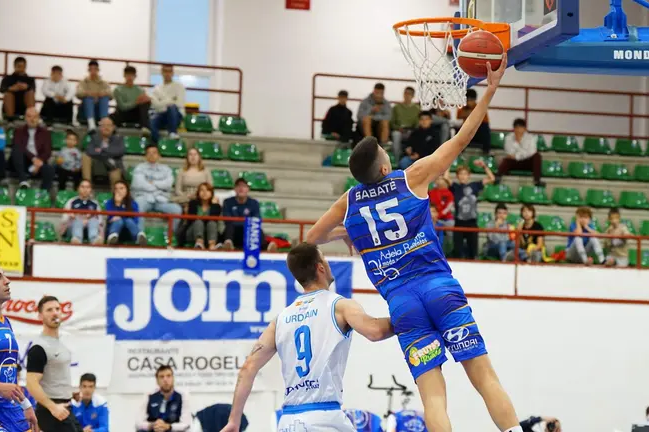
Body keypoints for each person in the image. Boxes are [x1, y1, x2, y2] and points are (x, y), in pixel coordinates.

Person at [304, 57, 524, 432]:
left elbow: (311, 240)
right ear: (385, 168)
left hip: (402, 304)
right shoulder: (411, 178)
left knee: (433, 398)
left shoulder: (350, 202)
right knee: (484, 378)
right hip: (438, 288)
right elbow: (461, 138)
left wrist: (347, 233)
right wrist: (489, 91)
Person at [220, 243, 395, 432]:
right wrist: (414, 317)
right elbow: (375, 330)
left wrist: (234, 421)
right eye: (325, 260)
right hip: (324, 418)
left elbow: (248, 368)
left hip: (288, 421)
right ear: (320, 267)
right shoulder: (340, 305)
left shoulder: (280, 319)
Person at [0, 258, 40, 432]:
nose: (7, 280)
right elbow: (2, 385)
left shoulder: (5, 323)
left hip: (12, 410)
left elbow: (8, 375)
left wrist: (25, 405)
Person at [26, 295, 81, 432]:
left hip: (66, 408)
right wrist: (52, 407)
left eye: (57, 309)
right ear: (40, 316)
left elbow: (54, 376)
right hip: (51, 412)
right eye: (49, 310)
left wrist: (69, 392)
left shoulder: (60, 344)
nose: (55, 312)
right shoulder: (39, 348)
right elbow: (31, 384)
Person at [443, 162, 494, 260]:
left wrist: (484, 166)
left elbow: (491, 178)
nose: (462, 176)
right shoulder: (455, 187)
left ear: (469, 175)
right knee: (458, 250)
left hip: (472, 222)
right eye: (460, 174)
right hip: (459, 222)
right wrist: (448, 164)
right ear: (457, 176)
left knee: (473, 251)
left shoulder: (475, 185)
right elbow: (446, 177)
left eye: (465, 174)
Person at [131, 144, 182, 231]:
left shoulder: (167, 169)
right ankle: (140, 235)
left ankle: (171, 237)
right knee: (137, 206)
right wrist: (159, 186)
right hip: (144, 198)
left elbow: (168, 184)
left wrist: (152, 183)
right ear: (145, 156)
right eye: (149, 153)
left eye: (154, 153)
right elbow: (139, 184)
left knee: (177, 209)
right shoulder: (139, 168)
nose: (151, 155)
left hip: (161, 199)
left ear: (159, 155)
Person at [221, 179, 276, 252]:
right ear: (234, 189)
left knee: (257, 229)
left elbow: (256, 220)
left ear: (248, 189)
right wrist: (245, 221)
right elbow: (227, 219)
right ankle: (228, 244)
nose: (241, 188)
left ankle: (267, 247)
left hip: (248, 231)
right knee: (229, 227)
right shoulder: (227, 202)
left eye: (244, 186)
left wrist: (242, 222)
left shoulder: (254, 203)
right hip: (234, 232)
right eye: (238, 186)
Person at [135, 365, 192, 432]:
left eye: (168, 376)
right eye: (161, 377)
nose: (165, 379)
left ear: (173, 378)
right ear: (157, 381)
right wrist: (152, 425)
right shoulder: (149, 395)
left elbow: (186, 424)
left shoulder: (182, 396)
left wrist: (168, 426)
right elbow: (138, 423)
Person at [10, 107, 55, 190]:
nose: (32, 119)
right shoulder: (18, 131)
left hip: (38, 162)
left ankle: (44, 194)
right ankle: (23, 180)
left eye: (35, 117)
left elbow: (47, 151)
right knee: (16, 150)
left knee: (50, 169)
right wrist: (33, 158)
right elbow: (20, 147)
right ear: (25, 118)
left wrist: (39, 161)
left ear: (38, 118)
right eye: (29, 116)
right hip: (22, 161)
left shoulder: (45, 133)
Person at [496, 119, 544, 187]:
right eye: (516, 127)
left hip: (527, 162)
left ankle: (537, 180)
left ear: (524, 129)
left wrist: (516, 155)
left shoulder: (531, 138)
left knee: (537, 156)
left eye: (520, 127)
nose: (518, 130)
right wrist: (518, 144)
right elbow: (509, 152)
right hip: (514, 163)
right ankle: (497, 178)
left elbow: (531, 152)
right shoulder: (508, 138)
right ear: (514, 128)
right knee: (506, 160)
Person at [82, 117, 124, 187]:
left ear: (113, 127)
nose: (106, 127)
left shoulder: (118, 138)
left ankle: (115, 196)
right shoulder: (95, 138)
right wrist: (107, 152)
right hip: (97, 165)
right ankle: (87, 187)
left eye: (108, 125)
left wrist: (101, 150)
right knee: (85, 157)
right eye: (103, 125)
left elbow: (119, 152)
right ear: (100, 127)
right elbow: (89, 151)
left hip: (113, 166)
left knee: (115, 172)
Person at [150, 64, 186, 143]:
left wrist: (162, 101)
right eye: (165, 71)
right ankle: (158, 143)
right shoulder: (156, 89)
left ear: (173, 73)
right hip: (161, 114)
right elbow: (155, 106)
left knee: (172, 107)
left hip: (176, 115)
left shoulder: (179, 87)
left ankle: (173, 132)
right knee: (151, 121)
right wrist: (171, 100)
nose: (167, 74)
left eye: (169, 71)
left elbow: (179, 104)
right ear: (161, 73)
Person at [179, 182, 222, 249]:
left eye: (207, 190)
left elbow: (214, 219)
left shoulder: (216, 206)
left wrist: (214, 205)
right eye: (202, 190)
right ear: (198, 193)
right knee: (198, 222)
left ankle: (212, 245)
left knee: (212, 223)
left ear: (211, 193)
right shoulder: (193, 204)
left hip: (209, 234)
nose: (204, 192)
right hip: (193, 232)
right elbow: (191, 220)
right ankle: (199, 243)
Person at [59, 179, 102, 244]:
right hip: (72, 230)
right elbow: (64, 220)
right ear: (78, 188)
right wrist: (72, 216)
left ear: (91, 189)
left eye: (87, 187)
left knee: (93, 220)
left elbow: (100, 221)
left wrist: (88, 220)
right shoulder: (72, 201)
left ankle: (94, 240)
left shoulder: (95, 204)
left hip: (89, 229)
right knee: (78, 220)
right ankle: (77, 239)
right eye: (82, 187)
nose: (85, 190)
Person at [112, 65, 151, 135]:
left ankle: (145, 127)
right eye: (128, 74)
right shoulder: (118, 90)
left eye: (132, 75)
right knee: (114, 115)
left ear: (135, 76)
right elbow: (122, 106)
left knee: (146, 102)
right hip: (123, 114)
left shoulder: (140, 90)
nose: (130, 77)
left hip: (136, 114)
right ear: (124, 75)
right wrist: (136, 102)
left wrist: (147, 100)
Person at [104, 180, 146, 245]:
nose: (118, 191)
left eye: (121, 188)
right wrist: (117, 204)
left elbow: (135, 220)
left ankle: (138, 237)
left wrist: (121, 217)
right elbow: (110, 218)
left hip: (129, 232)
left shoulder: (133, 203)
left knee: (128, 220)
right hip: (114, 230)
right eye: (116, 189)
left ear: (127, 190)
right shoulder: (109, 203)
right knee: (119, 221)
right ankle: (112, 237)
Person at [76, 60, 112, 132]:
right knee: (88, 98)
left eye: (95, 69)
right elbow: (78, 93)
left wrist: (101, 94)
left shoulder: (103, 83)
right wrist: (89, 94)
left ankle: (103, 122)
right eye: (91, 69)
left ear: (98, 70)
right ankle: (91, 124)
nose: (93, 71)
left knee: (104, 98)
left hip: (99, 109)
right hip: (85, 110)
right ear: (88, 70)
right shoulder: (83, 82)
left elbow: (111, 94)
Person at [0, 57, 36, 121]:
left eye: (23, 66)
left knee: (30, 93)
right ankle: (10, 120)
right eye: (19, 66)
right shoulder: (8, 78)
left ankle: (31, 117)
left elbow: (33, 89)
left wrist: (26, 87)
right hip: (11, 105)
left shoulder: (30, 79)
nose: (21, 69)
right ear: (14, 66)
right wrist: (11, 88)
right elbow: (1, 89)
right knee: (8, 94)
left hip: (24, 104)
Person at [456, 89, 491, 156]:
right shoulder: (463, 108)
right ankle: (458, 151)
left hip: (477, 133)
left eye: (471, 100)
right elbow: (458, 117)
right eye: (468, 100)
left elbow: (485, 122)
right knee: (458, 129)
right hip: (467, 133)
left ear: (474, 100)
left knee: (485, 128)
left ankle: (486, 152)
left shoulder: (480, 108)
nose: (469, 102)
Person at [391, 87, 421, 158]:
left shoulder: (417, 109)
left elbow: (417, 124)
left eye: (409, 94)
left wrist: (412, 130)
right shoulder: (396, 107)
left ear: (413, 96)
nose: (407, 95)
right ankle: (397, 159)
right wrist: (398, 128)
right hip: (399, 130)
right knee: (396, 135)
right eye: (405, 93)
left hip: (411, 131)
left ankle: (413, 157)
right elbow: (392, 122)